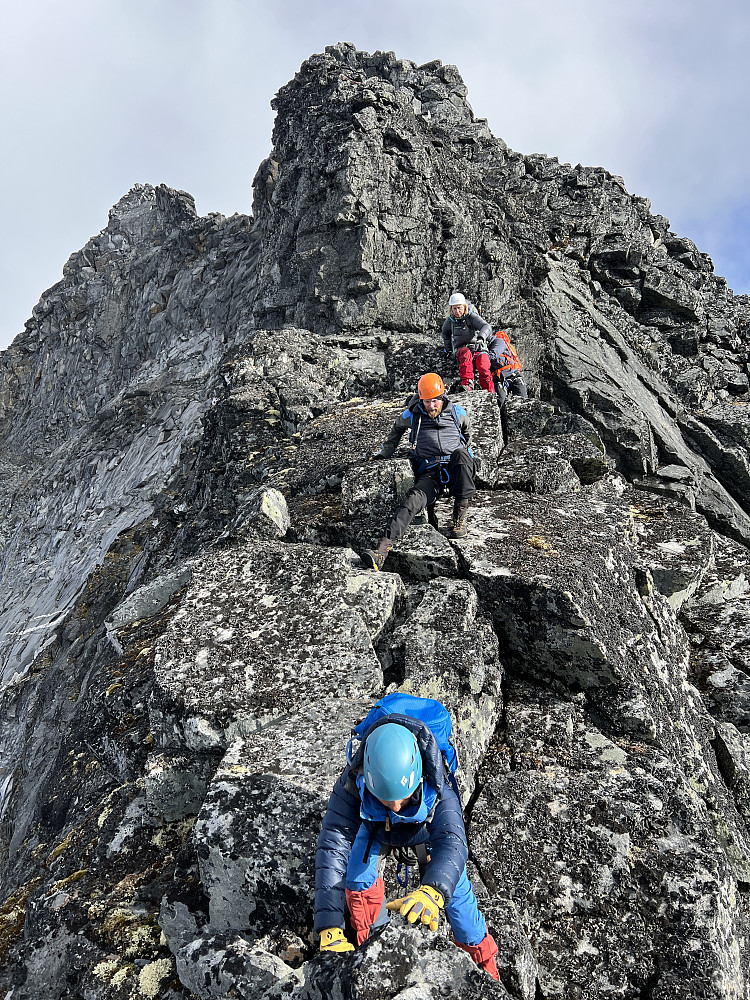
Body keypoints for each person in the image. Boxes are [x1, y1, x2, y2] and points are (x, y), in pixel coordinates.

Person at [314, 702, 500, 981]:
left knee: (457, 895)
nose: (397, 807)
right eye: (387, 800)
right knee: (357, 877)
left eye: (404, 797)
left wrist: (433, 892)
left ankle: (485, 967)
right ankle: (372, 950)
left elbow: (452, 843)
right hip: (377, 827)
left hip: (426, 832)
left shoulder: (439, 786)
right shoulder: (353, 783)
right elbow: (333, 845)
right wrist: (329, 925)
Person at [361, 373, 476, 571]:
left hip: (455, 467)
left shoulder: (457, 412)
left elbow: (467, 433)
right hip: (430, 473)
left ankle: (459, 520)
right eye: (427, 402)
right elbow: (396, 429)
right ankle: (381, 552)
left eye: (435, 401)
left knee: (462, 455)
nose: (431, 406)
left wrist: (467, 451)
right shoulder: (412, 414)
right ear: (421, 399)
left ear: (442, 397)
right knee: (411, 501)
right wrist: (384, 453)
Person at [441, 292, 495, 394]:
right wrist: (449, 350)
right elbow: (445, 333)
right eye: (454, 308)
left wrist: (481, 337)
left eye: (459, 308)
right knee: (465, 355)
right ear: (451, 309)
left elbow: (486, 326)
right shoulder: (450, 321)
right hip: (462, 348)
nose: (457, 311)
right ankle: (467, 385)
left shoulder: (471, 317)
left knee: (483, 366)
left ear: (464, 307)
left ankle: (490, 391)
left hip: (478, 347)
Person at [489, 329, 528, 405]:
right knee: (500, 403)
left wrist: (484, 357)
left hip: (512, 375)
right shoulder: (490, 345)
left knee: (523, 403)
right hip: (500, 378)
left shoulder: (498, 341)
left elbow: (495, 353)